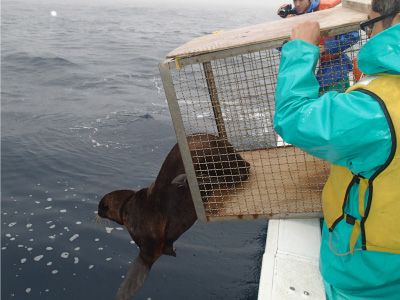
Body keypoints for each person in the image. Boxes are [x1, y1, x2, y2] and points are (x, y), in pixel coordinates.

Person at [274, 0, 400, 298]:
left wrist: (301, 51)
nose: (368, 34)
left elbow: (293, 119)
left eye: (370, 24)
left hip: (373, 263)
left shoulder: (375, 108)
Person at [277, 0, 360, 92]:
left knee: (337, 101)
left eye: (301, 0)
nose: (297, 4)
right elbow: (279, 45)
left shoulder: (327, 11)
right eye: (295, 0)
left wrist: (327, 46)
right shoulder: (291, 17)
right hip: (306, 74)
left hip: (333, 71)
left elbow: (353, 35)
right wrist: (284, 23)